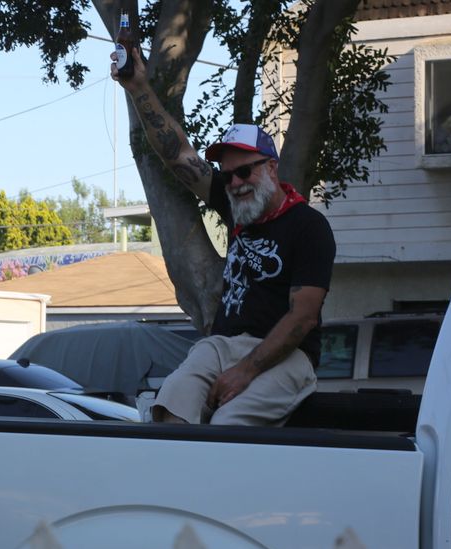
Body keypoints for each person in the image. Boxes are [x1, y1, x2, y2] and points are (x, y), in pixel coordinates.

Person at [112, 47, 336, 425]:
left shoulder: (308, 226)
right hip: (221, 345)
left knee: (228, 423)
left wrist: (245, 371)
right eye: (228, 175)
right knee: (170, 405)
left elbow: (303, 317)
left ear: (271, 167)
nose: (235, 183)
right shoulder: (234, 206)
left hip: (287, 355)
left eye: (245, 171)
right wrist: (138, 89)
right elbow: (178, 155)